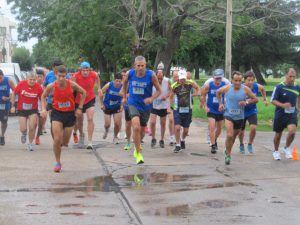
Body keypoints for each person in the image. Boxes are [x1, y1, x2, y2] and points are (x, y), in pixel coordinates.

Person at [41, 65, 86, 172]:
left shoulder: (72, 85)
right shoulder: (51, 86)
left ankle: (60, 145)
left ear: (66, 76)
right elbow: (43, 96)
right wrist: (43, 109)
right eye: (59, 76)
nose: (61, 79)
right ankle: (57, 162)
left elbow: (84, 92)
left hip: (69, 115)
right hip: (57, 114)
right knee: (57, 139)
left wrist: (80, 107)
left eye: (63, 76)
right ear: (55, 75)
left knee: (65, 142)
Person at [121, 56, 161, 164]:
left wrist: (151, 98)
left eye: (142, 65)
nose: (140, 68)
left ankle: (137, 146)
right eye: (138, 66)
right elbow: (124, 84)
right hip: (133, 102)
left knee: (142, 131)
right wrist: (124, 97)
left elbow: (159, 90)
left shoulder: (151, 75)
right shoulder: (130, 73)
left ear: (145, 65)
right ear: (135, 65)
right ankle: (138, 153)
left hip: (145, 105)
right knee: (136, 127)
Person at [216, 71, 258, 165]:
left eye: (239, 80)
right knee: (229, 135)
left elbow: (256, 99)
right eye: (235, 80)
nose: (238, 83)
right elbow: (218, 92)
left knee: (233, 137)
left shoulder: (245, 89)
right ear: (232, 80)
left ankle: (227, 150)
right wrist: (220, 104)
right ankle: (228, 155)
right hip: (228, 115)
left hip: (239, 117)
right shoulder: (227, 88)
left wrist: (246, 102)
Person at [271, 68, 300, 161]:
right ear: (286, 76)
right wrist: (283, 105)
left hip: (292, 114)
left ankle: (286, 148)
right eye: (290, 76)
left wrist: (298, 107)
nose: (292, 79)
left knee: (292, 132)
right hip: (280, 114)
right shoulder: (279, 87)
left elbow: (298, 97)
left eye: (294, 76)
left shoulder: (297, 87)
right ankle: (275, 151)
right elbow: (273, 100)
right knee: (278, 134)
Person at [168, 70, 200, 153]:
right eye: (181, 79)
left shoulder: (190, 83)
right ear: (178, 78)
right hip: (177, 109)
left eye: (184, 79)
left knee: (186, 130)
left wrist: (195, 94)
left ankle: (182, 140)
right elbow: (171, 97)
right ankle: (178, 145)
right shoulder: (174, 85)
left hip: (188, 109)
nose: (182, 81)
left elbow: (197, 88)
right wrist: (168, 107)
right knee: (177, 127)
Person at [10, 72, 43, 151]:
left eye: (34, 80)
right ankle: (24, 134)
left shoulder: (38, 87)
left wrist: (43, 109)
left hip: (33, 110)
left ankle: (30, 144)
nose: (32, 81)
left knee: (32, 126)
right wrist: (13, 106)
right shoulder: (21, 84)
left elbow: (42, 98)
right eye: (30, 80)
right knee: (23, 129)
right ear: (27, 79)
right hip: (22, 109)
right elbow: (14, 93)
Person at [73, 62, 102, 149]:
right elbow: (72, 88)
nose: (85, 72)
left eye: (87, 70)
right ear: (80, 70)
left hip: (90, 99)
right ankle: (81, 134)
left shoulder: (94, 74)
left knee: (90, 118)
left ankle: (90, 142)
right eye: (83, 70)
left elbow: (97, 76)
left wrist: (99, 88)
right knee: (79, 121)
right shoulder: (75, 76)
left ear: (89, 70)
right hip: (78, 101)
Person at [238, 71, 268, 154]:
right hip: (241, 112)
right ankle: (241, 144)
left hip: (252, 111)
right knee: (241, 131)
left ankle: (250, 144)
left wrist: (265, 99)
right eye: (248, 80)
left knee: (253, 128)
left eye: (252, 80)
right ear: (244, 80)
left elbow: (262, 89)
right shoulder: (240, 87)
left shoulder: (255, 86)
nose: (250, 82)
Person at [201, 69, 227, 154]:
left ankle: (214, 139)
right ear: (213, 78)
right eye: (216, 78)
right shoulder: (209, 85)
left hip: (220, 109)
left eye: (219, 78)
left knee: (219, 128)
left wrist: (225, 105)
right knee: (212, 127)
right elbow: (203, 96)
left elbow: (229, 96)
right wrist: (205, 106)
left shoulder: (225, 85)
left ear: (222, 78)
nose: (218, 80)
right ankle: (213, 145)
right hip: (211, 108)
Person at [150, 69, 171, 148]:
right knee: (152, 122)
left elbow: (171, 91)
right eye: (158, 78)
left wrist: (166, 96)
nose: (160, 80)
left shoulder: (167, 81)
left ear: (163, 76)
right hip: (154, 105)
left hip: (163, 105)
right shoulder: (152, 81)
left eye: (161, 78)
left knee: (163, 123)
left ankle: (161, 139)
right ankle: (153, 138)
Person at [100, 73, 123, 144]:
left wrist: (122, 105)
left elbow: (125, 96)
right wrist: (101, 104)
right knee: (107, 124)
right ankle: (106, 130)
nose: (118, 83)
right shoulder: (109, 85)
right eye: (116, 81)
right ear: (114, 80)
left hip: (117, 106)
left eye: (119, 81)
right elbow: (101, 93)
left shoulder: (123, 86)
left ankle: (115, 137)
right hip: (107, 106)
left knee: (117, 123)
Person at [0, 69, 15, 145]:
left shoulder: (8, 80)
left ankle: (2, 136)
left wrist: (8, 98)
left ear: (3, 76)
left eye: (0, 78)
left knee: (4, 122)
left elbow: (14, 91)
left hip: (4, 106)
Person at [35, 69, 46, 145]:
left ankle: (37, 137)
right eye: (38, 76)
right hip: (34, 108)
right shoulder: (33, 85)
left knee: (41, 125)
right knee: (34, 123)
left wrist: (44, 109)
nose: (39, 78)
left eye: (41, 77)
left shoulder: (45, 87)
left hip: (41, 108)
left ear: (43, 77)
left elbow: (45, 98)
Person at [168, 69, 178, 146]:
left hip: (179, 105)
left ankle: (176, 136)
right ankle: (171, 136)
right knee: (171, 120)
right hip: (171, 104)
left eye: (177, 76)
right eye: (175, 77)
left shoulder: (182, 82)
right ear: (172, 77)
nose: (176, 78)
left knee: (177, 122)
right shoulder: (170, 83)